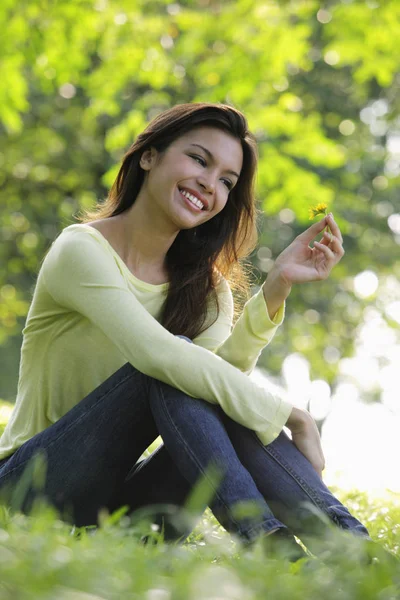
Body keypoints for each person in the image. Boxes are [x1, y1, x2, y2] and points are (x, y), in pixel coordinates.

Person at [0, 102, 370, 562]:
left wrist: (276, 287)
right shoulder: (82, 250)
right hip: (32, 486)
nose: (209, 185)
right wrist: (293, 416)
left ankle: (345, 542)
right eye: (199, 160)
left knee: (194, 374)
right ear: (149, 156)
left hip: (123, 509)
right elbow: (159, 356)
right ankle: (267, 541)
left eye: (226, 182)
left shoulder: (207, 290)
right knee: (171, 361)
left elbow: (215, 391)